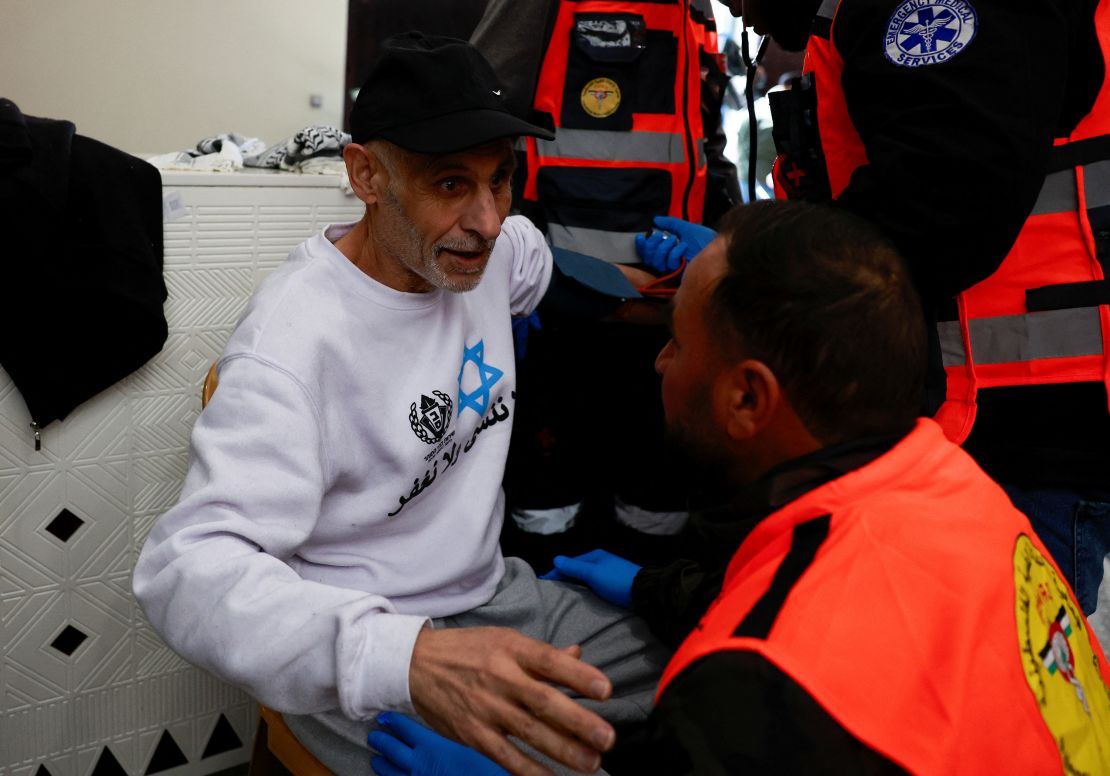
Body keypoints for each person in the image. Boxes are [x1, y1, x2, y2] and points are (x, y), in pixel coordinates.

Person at [370, 200, 1110, 774]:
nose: (658, 363)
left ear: (749, 400)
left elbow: (797, 673)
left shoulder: (749, 684)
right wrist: (659, 589)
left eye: (678, 341)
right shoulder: (957, 486)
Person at [132, 33, 670, 776]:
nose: (485, 221)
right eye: (451, 184)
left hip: (499, 598)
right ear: (367, 175)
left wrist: (704, 290)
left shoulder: (489, 253)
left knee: (702, 671)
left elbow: (562, 272)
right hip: (372, 642)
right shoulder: (293, 344)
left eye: (500, 180)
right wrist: (404, 659)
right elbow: (185, 571)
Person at [642, 0, 1110, 650]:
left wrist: (754, 264)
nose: (735, 8)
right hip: (992, 427)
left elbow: (939, 210)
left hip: (1013, 437)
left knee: (961, 700)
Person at [469, 0, 741, 567]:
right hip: (562, 306)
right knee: (547, 508)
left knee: (657, 508)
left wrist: (723, 242)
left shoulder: (697, 12)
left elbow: (704, 144)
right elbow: (479, 111)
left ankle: (644, 632)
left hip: (670, 314)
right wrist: (504, 266)